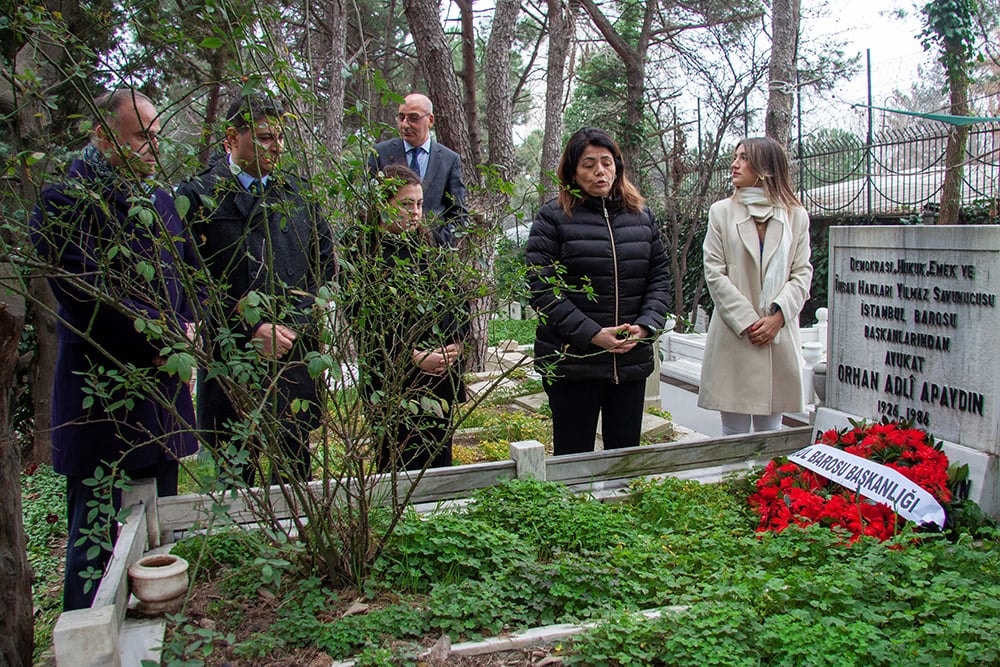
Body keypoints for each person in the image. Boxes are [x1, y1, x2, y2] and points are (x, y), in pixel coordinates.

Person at [29, 89, 199, 610]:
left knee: (157, 538)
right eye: (139, 137)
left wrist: (189, 327)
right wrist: (159, 341)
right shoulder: (65, 202)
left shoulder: (163, 200)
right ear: (103, 137)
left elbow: (191, 274)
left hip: (162, 400)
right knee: (97, 546)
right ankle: (88, 640)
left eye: (154, 135)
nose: (153, 147)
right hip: (101, 405)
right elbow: (85, 296)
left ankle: (155, 629)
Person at [177, 93, 335, 486]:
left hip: (294, 354)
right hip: (232, 356)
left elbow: (325, 269)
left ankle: (301, 548)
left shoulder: (299, 194)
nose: (276, 146)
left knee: (295, 469)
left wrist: (291, 325)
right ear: (231, 138)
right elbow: (191, 277)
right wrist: (251, 329)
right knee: (235, 474)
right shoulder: (198, 195)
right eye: (264, 137)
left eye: (280, 137)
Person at [525, 127, 671, 456]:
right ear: (572, 171)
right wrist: (592, 334)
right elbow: (542, 289)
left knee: (624, 461)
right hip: (574, 362)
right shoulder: (553, 218)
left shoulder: (641, 217)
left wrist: (646, 325)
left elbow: (659, 277)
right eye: (588, 164)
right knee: (573, 460)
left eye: (606, 162)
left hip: (630, 361)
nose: (599, 171)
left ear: (617, 166)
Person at [347, 164, 468, 471]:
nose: (415, 213)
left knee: (439, 466)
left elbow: (457, 302)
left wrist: (454, 346)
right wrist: (409, 355)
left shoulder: (429, 247)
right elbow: (363, 319)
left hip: (439, 377)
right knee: (398, 465)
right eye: (405, 204)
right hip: (393, 381)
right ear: (381, 205)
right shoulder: (361, 250)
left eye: (418, 204)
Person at [697, 136, 813, 435]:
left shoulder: (794, 215)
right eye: (735, 157)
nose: (735, 164)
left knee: (769, 436)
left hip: (777, 336)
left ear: (765, 166)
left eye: (744, 157)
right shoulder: (721, 212)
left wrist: (777, 318)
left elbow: (802, 272)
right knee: (732, 437)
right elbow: (714, 272)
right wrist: (749, 322)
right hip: (735, 336)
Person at [368, 93, 467, 246]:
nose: (405, 125)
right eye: (401, 118)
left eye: (413, 118)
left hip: (432, 257)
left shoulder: (449, 160)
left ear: (430, 120)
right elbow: (369, 204)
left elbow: (458, 213)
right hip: (386, 252)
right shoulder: (380, 153)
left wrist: (439, 245)